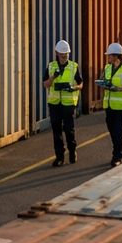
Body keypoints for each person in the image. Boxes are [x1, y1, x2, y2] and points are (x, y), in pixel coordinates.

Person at [43, 39, 82, 167]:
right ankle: (59, 157)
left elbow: (81, 84)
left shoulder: (74, 66)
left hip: (68, 104)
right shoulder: (51, 66)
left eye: (66, 55)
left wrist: (73, 88)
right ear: (57, 53)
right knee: (56, 131)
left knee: (69, 130)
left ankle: (72, 151)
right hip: (54, 104)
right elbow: (45, 85)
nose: (64, 57)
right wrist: (53, 77)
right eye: (62, 55)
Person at [98, 42, 122, 167]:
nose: (107, 57)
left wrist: (116, 89)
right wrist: (103, 82)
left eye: (109, 55)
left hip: (121, 106)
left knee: (118, 132)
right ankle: (118, 150)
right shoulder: (107, 67)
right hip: (109, 106)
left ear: (116, 56)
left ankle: (118, 156)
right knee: (112, 131)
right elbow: (102, 79)